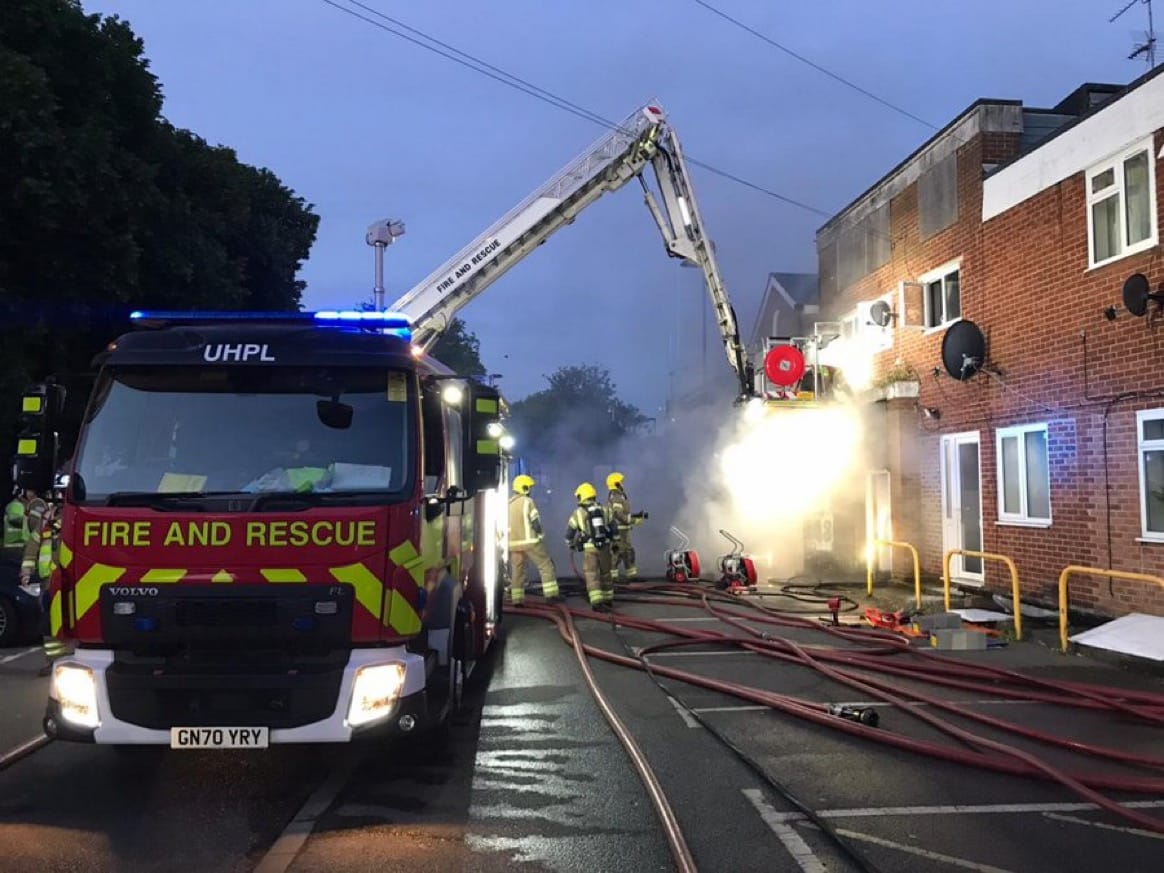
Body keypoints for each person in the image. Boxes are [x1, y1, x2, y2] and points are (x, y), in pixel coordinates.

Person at [507, 474, 561, 605]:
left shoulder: (508, 504)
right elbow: (535, 522)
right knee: (545, 565)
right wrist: (541, 535)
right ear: (524, 488)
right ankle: (551, 595)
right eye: (529, 487)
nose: (530, 490)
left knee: (517, 571)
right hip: (530, 542)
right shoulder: (527, 502)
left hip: (513, 544)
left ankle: (517, 599)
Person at [565, 482, 615, 612]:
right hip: (604, 546)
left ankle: (596, 601)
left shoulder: (578, 513)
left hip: (589, 548)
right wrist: (615, 542)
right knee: (606, 572)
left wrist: (570, 543)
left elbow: (570, 531)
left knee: (592, 573)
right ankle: (608, 599)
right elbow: (613, 527)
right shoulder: (605, 509)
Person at [606, 472, 647, 582]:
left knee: (628, 552)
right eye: (621, 482)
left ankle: (631, 576)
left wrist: (635, 515)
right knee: (617, 553)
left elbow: (623, 513)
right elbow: (618, 515)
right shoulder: (616, 496)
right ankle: (613, 577)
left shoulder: (619, 495)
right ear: (616, 484)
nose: (623, 484)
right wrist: (633, 520)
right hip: (618, 530)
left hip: (624, 531)